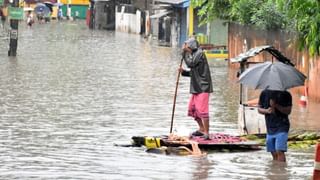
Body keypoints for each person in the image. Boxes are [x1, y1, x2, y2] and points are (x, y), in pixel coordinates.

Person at [180, 37, 213, 140]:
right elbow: (194, 72)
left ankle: (207, 133)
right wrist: (184, 72)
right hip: (196, 87)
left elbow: (191, 63)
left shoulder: (199, 53)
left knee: (203, 110)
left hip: (203, 87)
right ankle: (201, 129)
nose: (187, 49)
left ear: (191, 46)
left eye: (187, 47)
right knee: (193, 109)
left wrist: (184, 54)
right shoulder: (194, 54)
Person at [258, 89, 292, 162]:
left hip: (282, 126)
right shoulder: (264, 93)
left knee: (279, 150)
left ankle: (281, 171)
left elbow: (288, 111)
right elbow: (259, 109)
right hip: (270, 127)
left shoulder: (286, 94)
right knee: (273, 152)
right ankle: (276, 170)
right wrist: (266, 111)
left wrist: (276, 106)